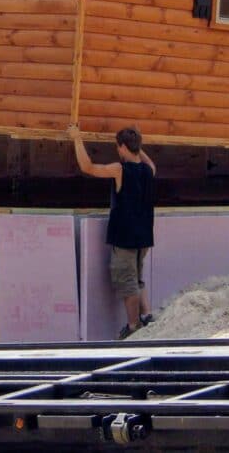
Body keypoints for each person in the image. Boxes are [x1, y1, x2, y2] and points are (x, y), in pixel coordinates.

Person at [67, 124, 156, 339]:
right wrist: (137, 147)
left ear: (123, 147)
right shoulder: (148, 170)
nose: (117, 150)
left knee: (128, 283)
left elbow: (87, 167)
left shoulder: (120, 169)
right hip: (144, 237)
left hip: (125, 238)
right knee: (137, 278)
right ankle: (148, 316)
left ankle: (133, 326)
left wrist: (77, 138)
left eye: (119, 147)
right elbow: (149, 161)